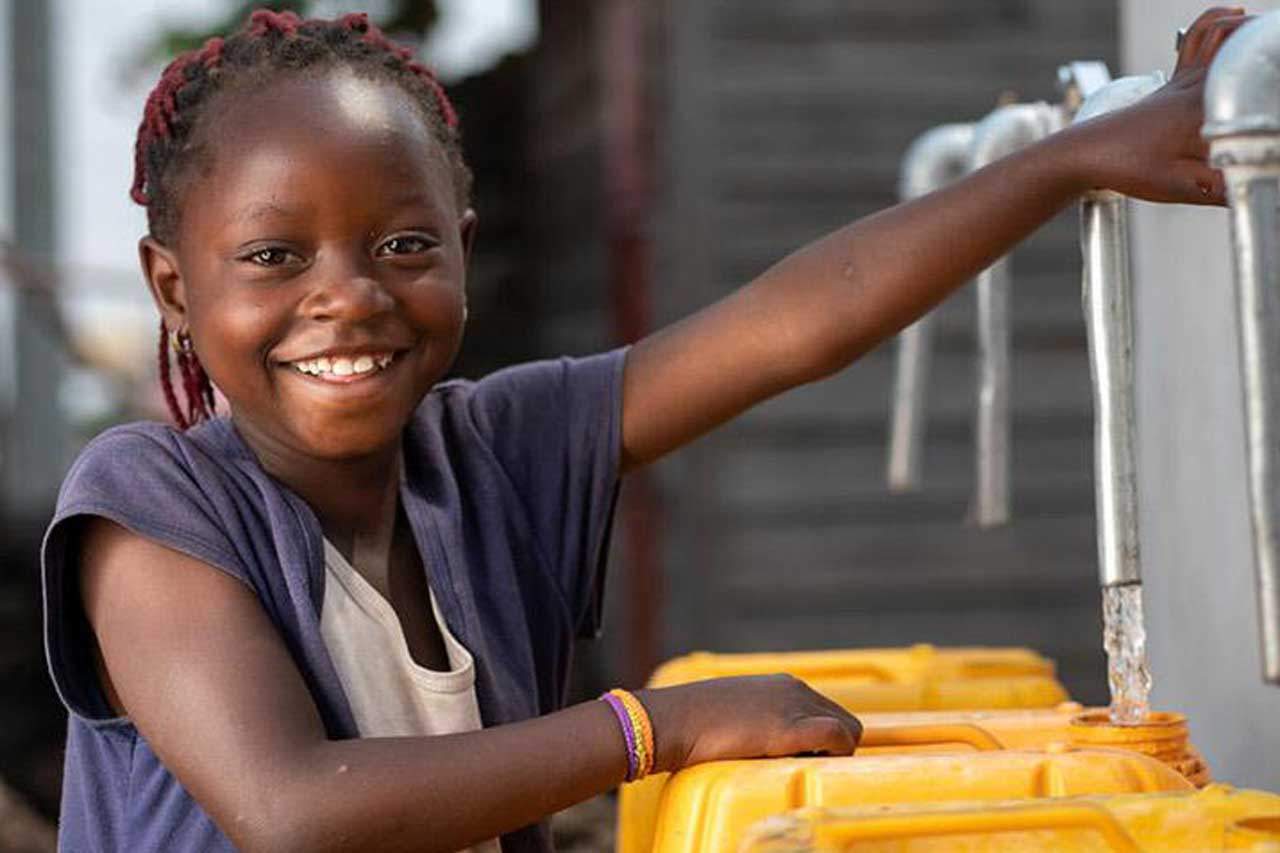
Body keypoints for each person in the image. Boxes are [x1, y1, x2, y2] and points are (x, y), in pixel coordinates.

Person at [41, 6, 1245, 852]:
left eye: (402, 244)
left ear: (464, 244)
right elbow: (292, 810)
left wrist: (1064, 162)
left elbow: (790, 324)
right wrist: (647, 730)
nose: (347, 295)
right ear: (173, 289)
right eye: (272, 256)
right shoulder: (152, 507)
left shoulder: (495, 455)